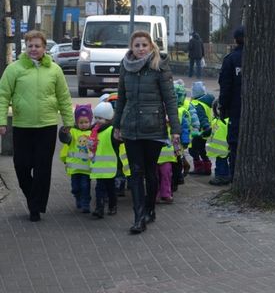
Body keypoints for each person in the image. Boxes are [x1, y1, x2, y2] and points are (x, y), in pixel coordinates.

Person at [0, 30, 74, 222]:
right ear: (25, 47)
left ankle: (36, 206)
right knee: (21, 166)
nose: (34, 49)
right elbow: (2, 96)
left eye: (37, 46)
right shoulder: (14, 69)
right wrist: (1, 121)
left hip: (47, 125)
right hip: (22, 125)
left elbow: (64, 97)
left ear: (44, 48)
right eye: (30, 46)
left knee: (43, 167)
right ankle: (34, 198)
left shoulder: (55, 70)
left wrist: (68, 122)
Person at [113, 30, 181, 234]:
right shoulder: (125, 67)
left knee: (151, 171)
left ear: (151, 46)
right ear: (131, 47)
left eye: (144, 45)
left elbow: (170, 99)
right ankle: (138, 217)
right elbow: (121, 98)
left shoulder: (159, 66)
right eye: (137, 45)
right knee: (135, 172)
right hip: (131, 126)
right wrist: (117, 125)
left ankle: (150, 209)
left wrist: (175, 130)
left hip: (153, 127)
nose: (141, 49)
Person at [88, 102, 126, 218]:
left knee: (110, 189)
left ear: (109, 118)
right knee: (99, 188)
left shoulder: (111, 131)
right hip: (99, 166)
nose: (98, 120)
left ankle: (112, 206)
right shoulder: (94, 131)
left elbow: (119, 140)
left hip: (109, 167)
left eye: (101, 118)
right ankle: (99, 209)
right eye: (96, 118)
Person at [218, 26, 244, 181]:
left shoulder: (231, 59)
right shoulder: (259, 57)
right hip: (251, 110)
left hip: (235, 108)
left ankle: (234, 176)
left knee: (234, 143)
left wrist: (223, 106)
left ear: (235, 39)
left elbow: (225, 86)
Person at [59, 104, 93, 213]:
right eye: (81, 122)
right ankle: (78, 197)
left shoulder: (93, 133)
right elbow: (65, 138)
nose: (84, 125)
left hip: (87, 167)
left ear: (91, 121)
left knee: (85, 186)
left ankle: (86, 203)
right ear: (77, 122)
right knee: (75, 187)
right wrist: (64, 131)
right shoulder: (73, 132)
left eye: (86, 122)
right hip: (74, 167)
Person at [188, 81, 214, 175]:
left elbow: (202, 117)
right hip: (205, 131)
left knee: (193, 150)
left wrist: (205, 126)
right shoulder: (206, 102)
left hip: (199, 132)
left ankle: (199, 168)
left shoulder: (197, 104)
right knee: (202, 150)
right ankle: (206, 167)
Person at [207, 100, 231, 186]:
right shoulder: (215, 120)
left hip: (225, 147)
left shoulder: (228, 121)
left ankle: (222, 177)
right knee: (220, 162)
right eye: (218, 108)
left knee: (222, 162)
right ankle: (222, 176)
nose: (220, 110)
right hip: (218, 147)